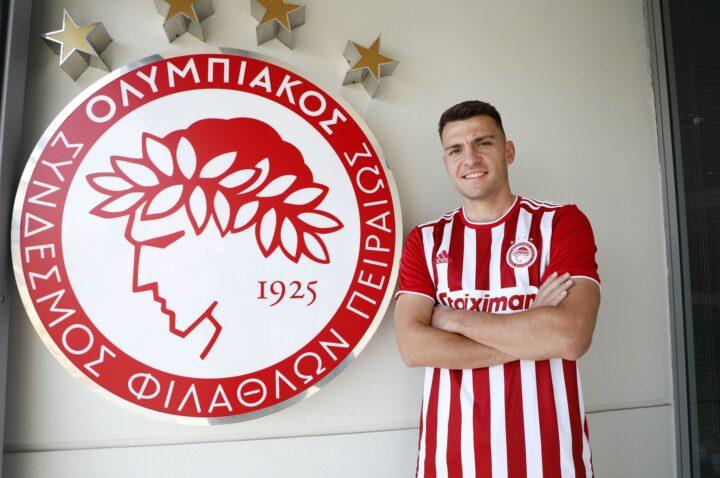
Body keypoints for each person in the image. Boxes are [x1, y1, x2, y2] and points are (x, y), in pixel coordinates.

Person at [394, 100, 601, 477]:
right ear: (446, 163)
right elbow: (412, 347)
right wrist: (531, 329)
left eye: (483, 143)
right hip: (451, 462)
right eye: (456, 149)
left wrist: (452, 319)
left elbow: (570, 337)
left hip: (549, 460)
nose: (470, 158)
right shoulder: (425, 240)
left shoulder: (560, 223)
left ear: (508, 151)